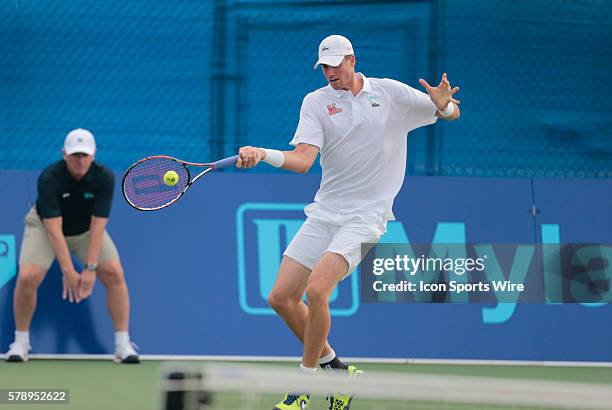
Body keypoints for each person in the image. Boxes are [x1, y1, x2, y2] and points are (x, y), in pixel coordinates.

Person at [237, 34, 460, 409]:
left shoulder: (390, 94)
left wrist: (444, 108)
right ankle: (338, 373)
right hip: (326, 212)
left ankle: (303, 388)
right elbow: (303, 159)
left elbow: (448, 111)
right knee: (280, 297)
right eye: (324, 66)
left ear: (352, 60)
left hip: (367, 215)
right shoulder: (316, 102)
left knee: (318, 290)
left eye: (335, 64)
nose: (330, 73)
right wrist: (263, 154)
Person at [5, 128, 139, 364]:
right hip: (45, 229)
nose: (80, 160)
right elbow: (54, 230)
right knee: (27, 276)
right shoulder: (49, 178)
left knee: (114, 274)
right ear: (64, 154)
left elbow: (98, 226)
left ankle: (123, 344)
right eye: (75, 155)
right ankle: (20, 342)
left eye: (84, 155)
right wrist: (68, 270)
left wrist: (90, 267)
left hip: (86, 230)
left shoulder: (104, 177)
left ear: (94, 154)